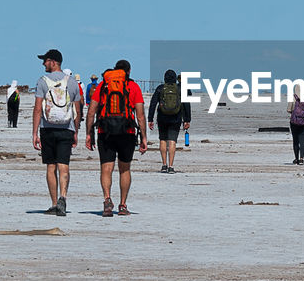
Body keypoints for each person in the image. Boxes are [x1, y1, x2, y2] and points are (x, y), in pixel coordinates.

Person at [85, 59, 147, 217]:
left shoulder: (103, 85)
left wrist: (88, 134)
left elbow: (91, 111)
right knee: (124, 169)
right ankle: (123, 205)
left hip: (105, 132)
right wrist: (144, 138)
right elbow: (140, 115)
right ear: (129, 71)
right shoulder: (133, 86)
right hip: (127, 132)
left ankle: (107, 200)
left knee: (106, 168)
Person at [32, 49, 83, 216]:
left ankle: (54, 204)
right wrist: (75, 131)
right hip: (66, 128)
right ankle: (63, 197)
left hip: (47, 128)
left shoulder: (42, 81)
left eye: (45, 61)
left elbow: (38, 108)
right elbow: (77, 110)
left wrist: (34, 133)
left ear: (53, 62)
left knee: (50, 166)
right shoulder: (72, 82)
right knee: (64, 166)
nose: (43, 64)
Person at [148, 69, 191, 173]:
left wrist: (150, 119)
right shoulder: (179, 89)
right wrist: (187, 120)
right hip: (176, 118)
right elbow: (186, 105)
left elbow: (153, 104)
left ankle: (164, 165)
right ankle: (171, 166)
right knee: (172, 141)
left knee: (163, 140)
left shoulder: (160, 88)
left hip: (162, 118)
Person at [287, 85, 304, 164]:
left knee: (295, 140)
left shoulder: (293, 98)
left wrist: (295, 113)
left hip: (294, 122)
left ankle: (296, 158)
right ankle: (301, 159)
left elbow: (288, 110)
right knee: (302, 140)